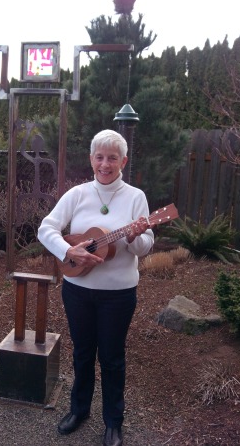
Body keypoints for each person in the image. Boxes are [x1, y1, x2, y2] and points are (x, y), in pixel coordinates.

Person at [37, 129, 154, 446]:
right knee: (83, 352)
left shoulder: (135, 197)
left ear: (123, 161)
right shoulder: (77, 195)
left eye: (112, 158)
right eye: (99, 157)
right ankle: (79, 410)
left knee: (113, 357)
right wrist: (66, 250)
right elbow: (46, 228)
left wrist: (133, 236)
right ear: (91, 159)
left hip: (118, 296)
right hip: (77, 290)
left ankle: (114, 422)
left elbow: (145, 247)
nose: (105, 164)